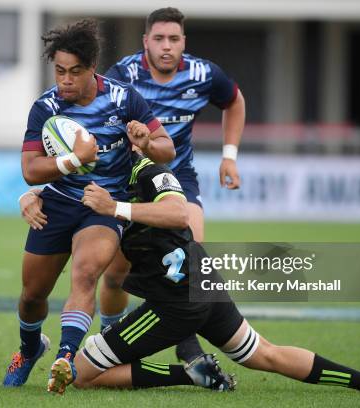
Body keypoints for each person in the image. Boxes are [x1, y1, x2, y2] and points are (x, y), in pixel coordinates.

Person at [22, 153, 360, 395]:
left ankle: (186, 374)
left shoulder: (149, 172)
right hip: (204, 285)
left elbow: (179, 212)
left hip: (175, 303)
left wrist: (116, 209)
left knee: (84, 374)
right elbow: (60, 193)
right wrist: (29, 196)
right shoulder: (103, 177)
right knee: (266, 354)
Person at [2, 20, 175, 394]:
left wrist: (145, 142)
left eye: (74, 72)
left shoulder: (123, 98)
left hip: (102, 207)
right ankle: (30, 349)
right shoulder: (45, 107)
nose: (65, 80)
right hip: (58, 204)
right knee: (32, 296)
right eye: (60, 71)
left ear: (91, 69)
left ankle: (66, 357)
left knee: (86, 275)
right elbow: (31, 171)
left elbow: (167, 149)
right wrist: (74, 160)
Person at [100, 6, 246, 364]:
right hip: (130, 181)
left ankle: (187, 343)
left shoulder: (203, 74)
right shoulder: (123, 74)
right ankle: (109, 332)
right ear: (145, 41)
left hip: (178, 180)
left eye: (174, 39)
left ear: (184, 42)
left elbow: (235, 101)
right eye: (159, 39)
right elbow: (99, 117)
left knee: (191, 260)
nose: (167, 46)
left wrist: (229, 155)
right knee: (116, 274)